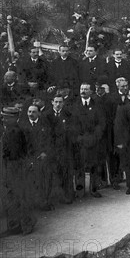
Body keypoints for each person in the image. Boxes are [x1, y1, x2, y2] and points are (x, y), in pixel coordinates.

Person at [1, 107, 36, 236]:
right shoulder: (9, 130)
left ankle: (25, 225)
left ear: (15, 119)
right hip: (13, 167)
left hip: (15, 168)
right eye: (3, 116)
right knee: (13, 197)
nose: (3, 119)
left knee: (18, 197)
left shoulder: (14, 132)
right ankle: (16, 225)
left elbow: (13, 155)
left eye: (6, 117)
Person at [72, 82, 106, 198]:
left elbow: (101, 123)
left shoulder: (97, 104)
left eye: (86, 89)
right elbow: (73, 123)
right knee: (79, 167)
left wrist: (95, 137)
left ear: (91, 91)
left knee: (94, 166)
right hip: (80, 141)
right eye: (81, 88)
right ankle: (80, 191)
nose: (83, 91)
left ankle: (94, 189)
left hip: (94, 140)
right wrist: (79, 137)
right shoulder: (75, 104)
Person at [18, 104, 54, 211]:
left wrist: (45, 153)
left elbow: (50, 141)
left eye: (33, 112)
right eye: (29, 112)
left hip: (42, 157)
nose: (31, 114)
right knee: (30, 182)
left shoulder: (45, 125)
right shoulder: (22, 125)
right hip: (28, 158)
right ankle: (32, 204)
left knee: (43, 181)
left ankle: (43, 202)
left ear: (39, 113)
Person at [44, 94, 77, 203]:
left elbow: (71, 132)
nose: (58, 104)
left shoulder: (68, 114)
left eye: (60, 102)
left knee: (66, 172)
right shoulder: (46, 115)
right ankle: (52, 197)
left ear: (63, 103)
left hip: (65, 148)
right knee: (53, 172)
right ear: (52, 102)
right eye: (56, 102)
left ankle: (67, 196)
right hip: (52, 148)